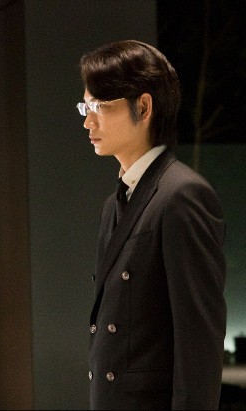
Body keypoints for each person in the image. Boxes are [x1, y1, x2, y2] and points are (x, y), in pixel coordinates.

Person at [78, 40, 226, 409]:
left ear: (143, 107)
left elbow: (199, 343)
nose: (88, 121)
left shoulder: (182, 195)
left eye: (100, 106)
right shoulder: (114, 204)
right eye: (85, 106)